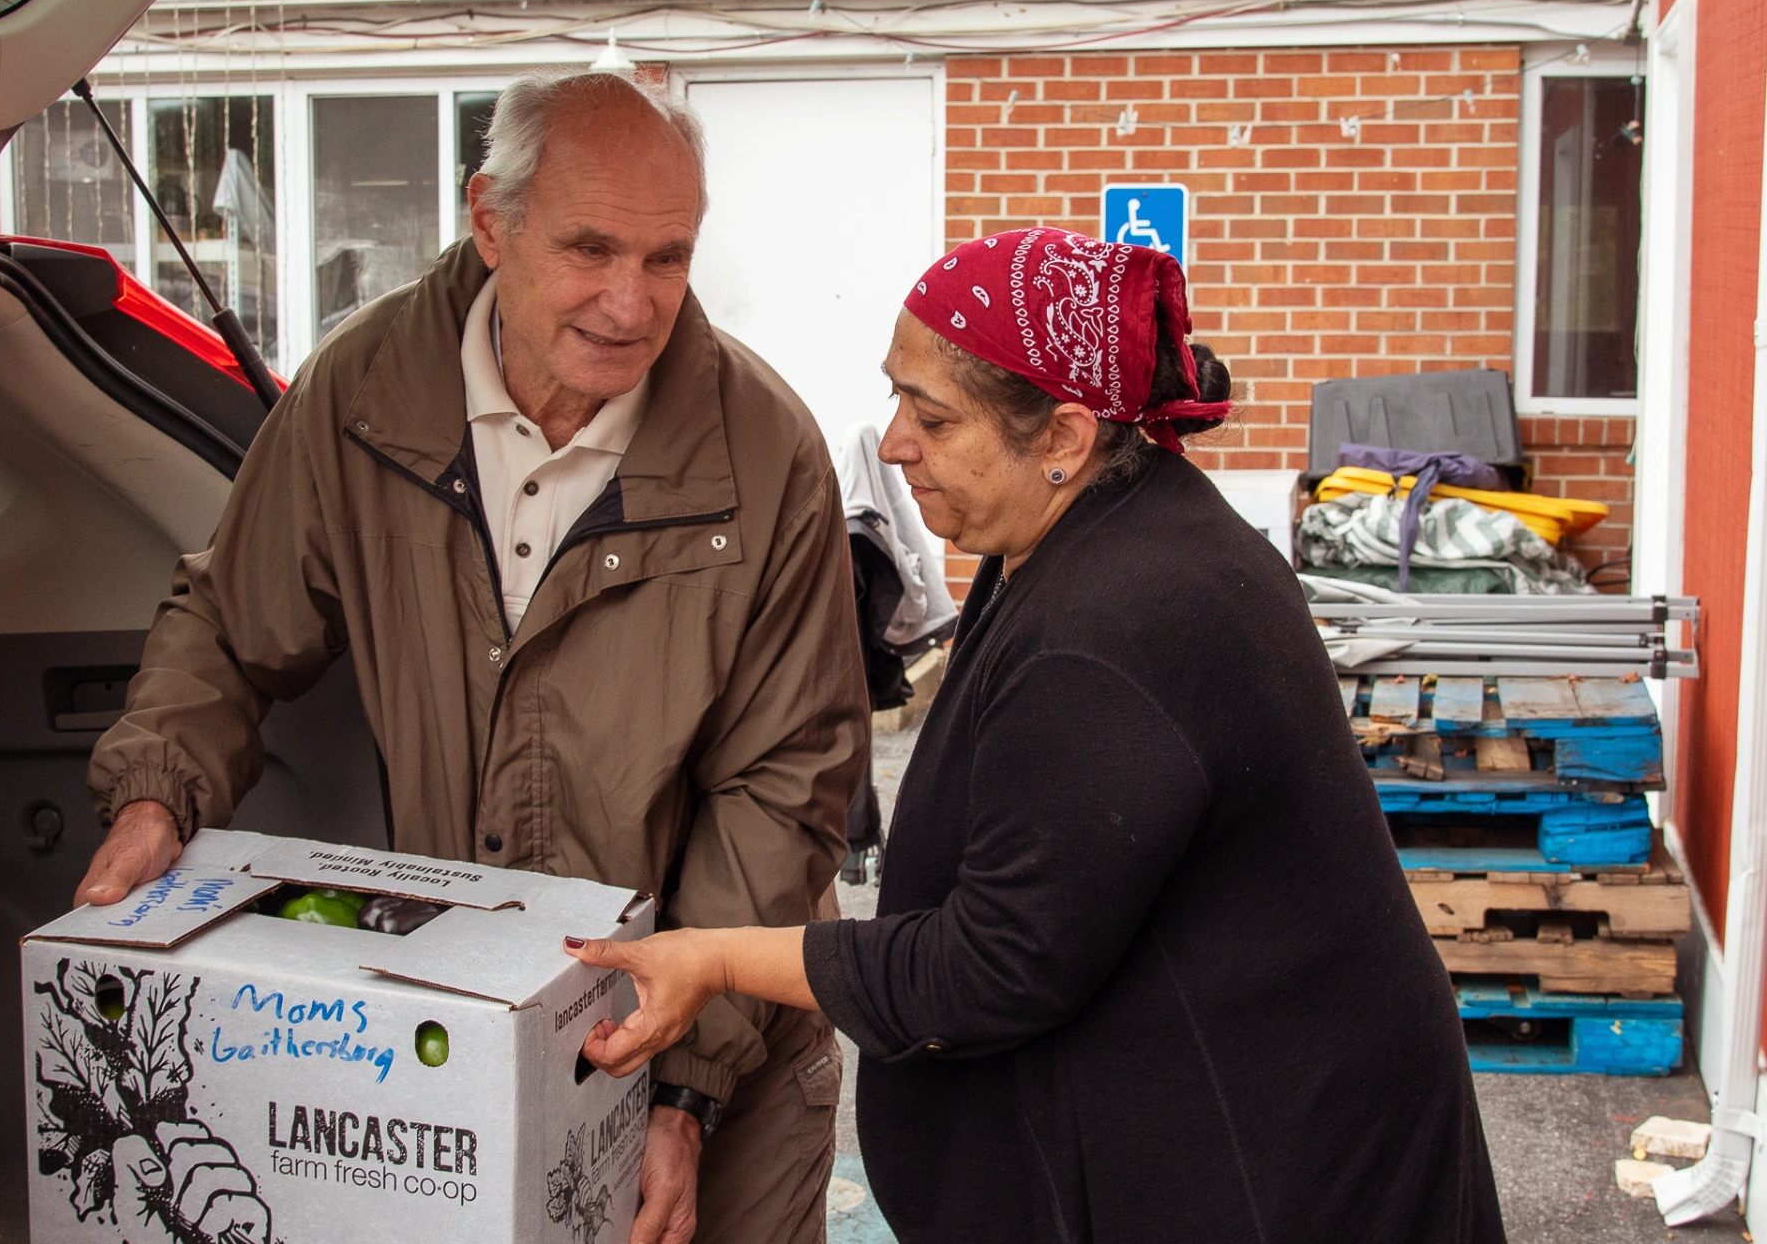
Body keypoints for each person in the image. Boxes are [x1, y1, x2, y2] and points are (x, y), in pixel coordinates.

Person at [570, 228, 1507, 1243]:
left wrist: (713, 957)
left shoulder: (1117, 623)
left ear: (1063, 437)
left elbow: (995, 963)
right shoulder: (1097, 526)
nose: (891, 442)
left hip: (1275, 1177)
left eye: (932, 415)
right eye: (895, 395)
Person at [74, 71, 870, 1244]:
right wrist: (155, 793)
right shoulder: (362, 391)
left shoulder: (767, 451)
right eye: (591, 247)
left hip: (721, 1049)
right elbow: (233, 624)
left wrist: (683, 1085)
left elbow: (785, 785)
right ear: (488, 219)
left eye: (667, 257)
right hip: (459, 1031)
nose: (630, 301)